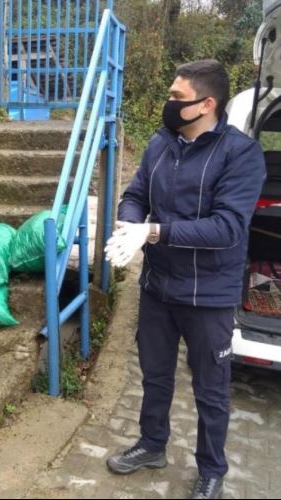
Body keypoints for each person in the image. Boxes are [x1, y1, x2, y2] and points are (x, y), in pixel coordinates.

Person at [104, 60, 266, 499]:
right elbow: (136, 194)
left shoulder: (240, 155)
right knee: (155, 375)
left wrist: (153, 232)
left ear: (206, 104)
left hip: (209, 294)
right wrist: (128, 226)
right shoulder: (161, 143)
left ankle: (212, 468)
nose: (169, 104)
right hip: (159, 286)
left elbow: (228, 227)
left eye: (177, 98)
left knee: (210, 388)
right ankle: (152, 445)